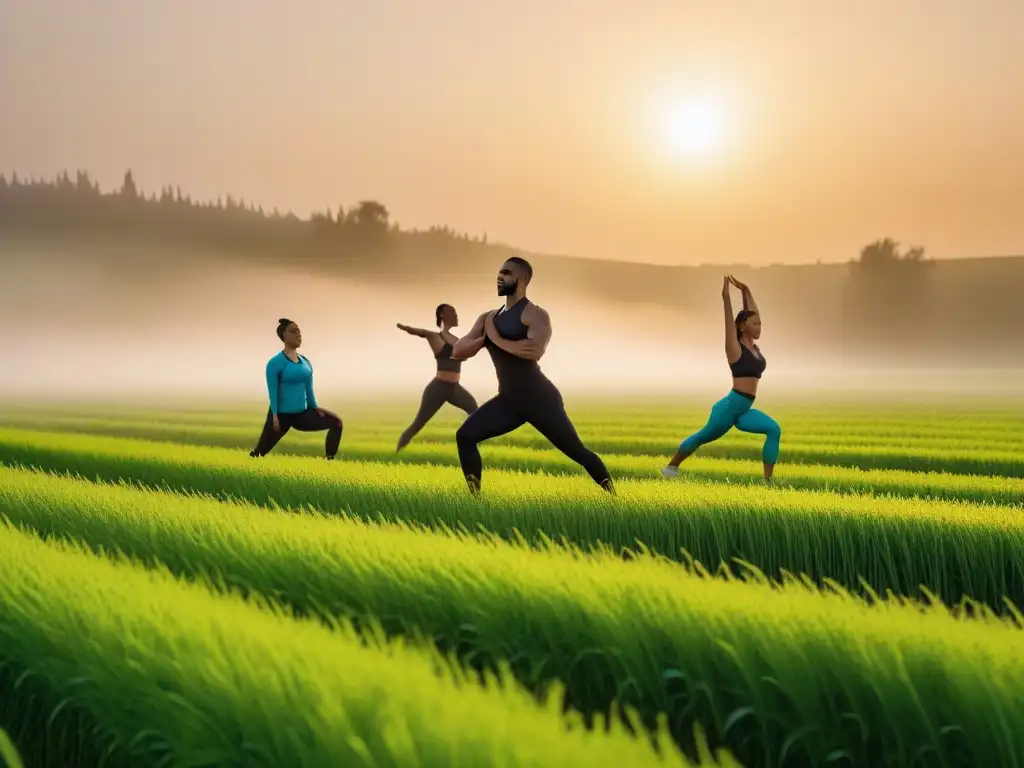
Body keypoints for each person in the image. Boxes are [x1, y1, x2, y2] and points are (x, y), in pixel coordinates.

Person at [450, 256, 615, 496]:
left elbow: (533, 351)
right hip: (509, 400)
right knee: (465, 436)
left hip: (540, 398)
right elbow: (458, 351)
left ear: (523, 279)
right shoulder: (488, 317)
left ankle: (614, 498)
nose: (499, 277)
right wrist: (482, 339)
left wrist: (493, 338)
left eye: (506, 273)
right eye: (498, 272)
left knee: (577, 452)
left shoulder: (535, 315)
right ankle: (475, 501)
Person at [662, 275, 781, 482]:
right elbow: (730, 321)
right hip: (729, 408)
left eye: (760, 324)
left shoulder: (754, 347)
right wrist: (726, 298)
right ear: (743, 326)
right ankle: (671, 468)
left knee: (774, 429)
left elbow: (752, 313)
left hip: (744, 410)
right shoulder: (734, 348)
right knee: (702, 437)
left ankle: (768, 481)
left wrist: (746, 290)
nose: (759, 327)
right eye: (755, 324)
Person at [250, 318, 344, 459]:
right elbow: (273, 391)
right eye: (293, 332)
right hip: (281, 415)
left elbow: (309, 388)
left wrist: (315, 408)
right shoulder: (275, 363)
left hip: (302, 414)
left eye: (299, 331)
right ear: (283, 336)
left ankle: (329, 459)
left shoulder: (305, 362)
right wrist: (275, 416)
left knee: (337, 423)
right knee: (259, 453)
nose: (298, 335)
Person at [395, 303, 479, 451]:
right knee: (418, 424)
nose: (456, 315)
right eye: (452, 312)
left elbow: (466, 353)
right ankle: (397, 452)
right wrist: (405, 328)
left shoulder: (457, 340)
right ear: (442, 315)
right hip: (438, 388)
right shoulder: (434, 336)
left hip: (454, 388)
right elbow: (420, 332)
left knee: (474, 410)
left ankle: (470, 442)